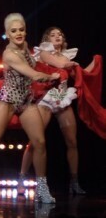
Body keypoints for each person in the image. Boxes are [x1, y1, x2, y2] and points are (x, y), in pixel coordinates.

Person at [0, 13, 60, 204]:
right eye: (14, 31)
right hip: (7, 101)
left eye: (21, 30)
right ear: (7, 34)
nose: (19, 33)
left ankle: (42, 189)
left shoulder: (25, 47)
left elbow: (36, 63)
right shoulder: (8, 54)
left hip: (26, 100)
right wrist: (52, 77)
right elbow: (33, 74)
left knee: (39, 142)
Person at [18, 27, 97, 196]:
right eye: (53, 35)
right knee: (35, 141)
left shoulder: (67, 57)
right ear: (47, 39)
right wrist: (72, 65)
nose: (57, 36)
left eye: (60, 34)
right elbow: (61, 65)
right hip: (45, 98)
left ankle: (74, 182)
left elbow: (82, 75)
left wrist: (96, 61)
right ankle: (22, 178)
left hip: (62, 98)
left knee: (72, 142)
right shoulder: (44, 53)